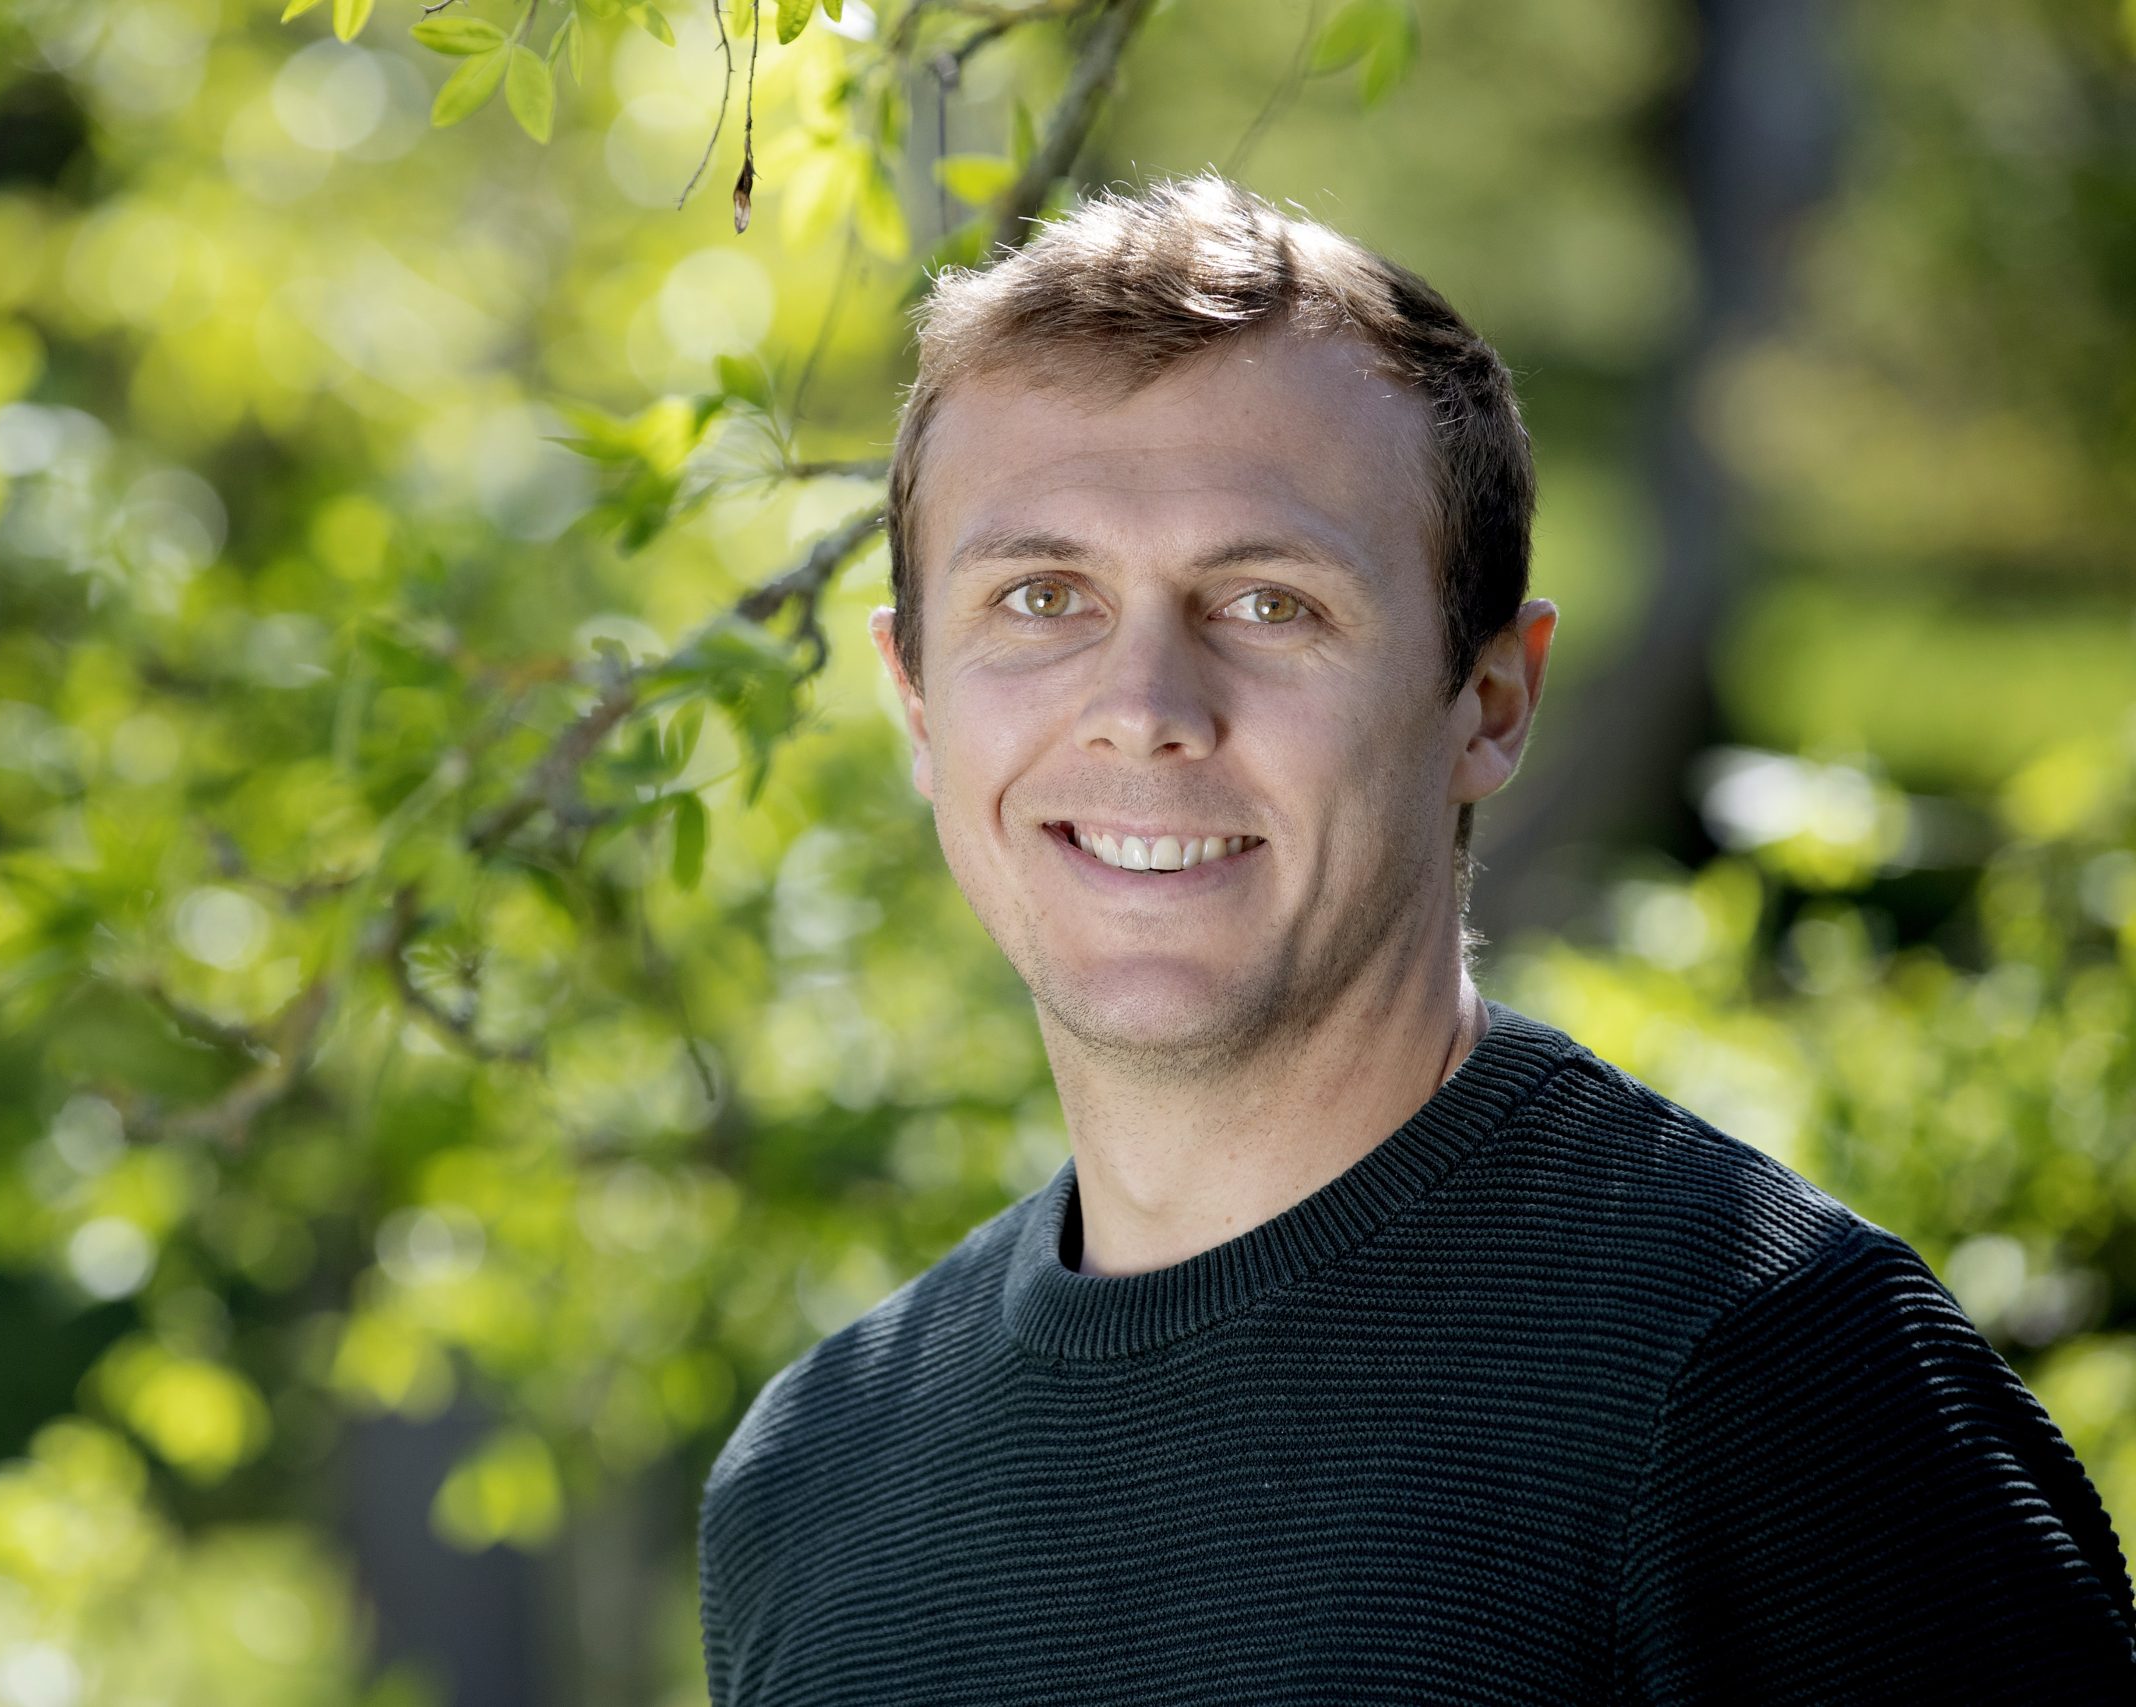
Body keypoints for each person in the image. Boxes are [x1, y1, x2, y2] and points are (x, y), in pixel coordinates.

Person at [691, 171, 2136, 1704]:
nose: (1145, 712)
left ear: (1490, 704)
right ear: (918, 704)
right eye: (1043, 598)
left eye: (1268, 605)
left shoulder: (1759, 1374)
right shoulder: (809, 1485)